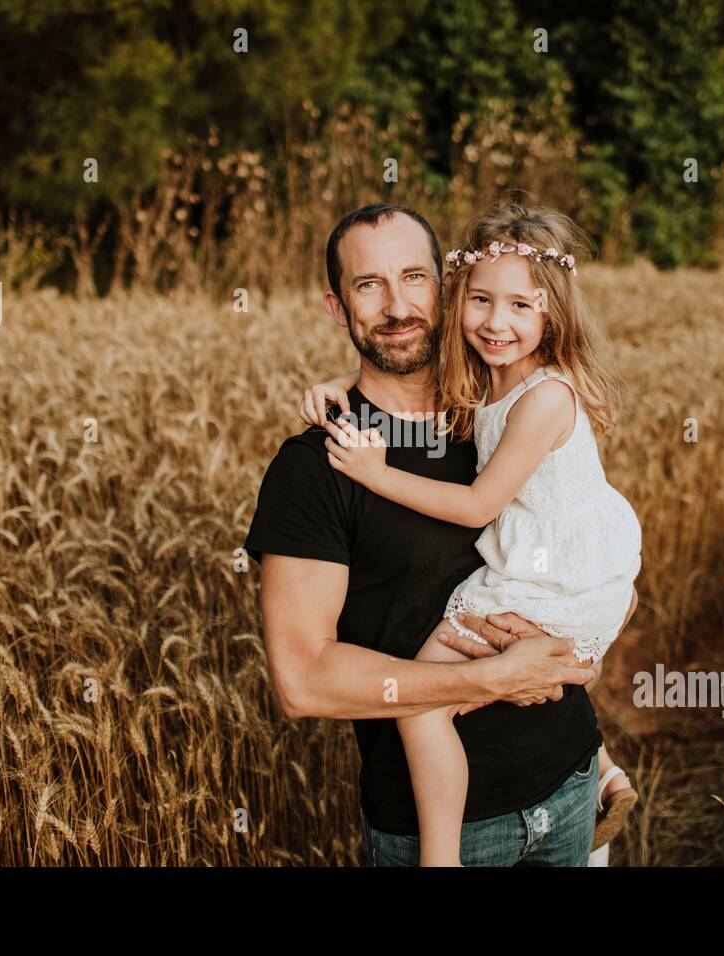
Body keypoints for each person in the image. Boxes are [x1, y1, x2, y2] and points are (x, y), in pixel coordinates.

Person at [245, 202, 633, 866]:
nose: (397, 304)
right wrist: (497, 678)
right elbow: (303, 682)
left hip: (568, 793)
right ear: (339, 308)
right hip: (447, 832)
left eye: (414, 278)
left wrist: (580, 652)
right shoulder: (318, 468)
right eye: (369, 285)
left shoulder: (492, 414)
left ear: (446, 289)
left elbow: (590, 557)